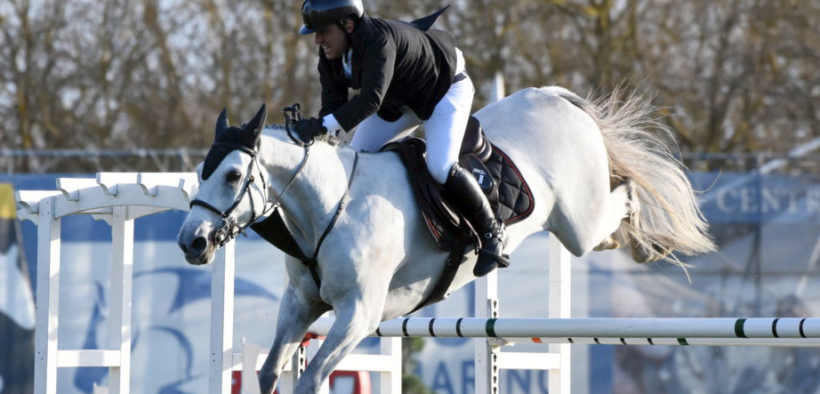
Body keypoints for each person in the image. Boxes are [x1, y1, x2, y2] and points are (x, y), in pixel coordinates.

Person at [294, 0, 509, 276]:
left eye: (323, 31)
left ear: (347, 25)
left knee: (440, 167)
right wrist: (317, 137)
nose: (317, 40)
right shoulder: (331, 55)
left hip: (443, 89)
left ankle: (493, 230)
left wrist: (322, 126)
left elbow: (369, 101)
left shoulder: (378, 41)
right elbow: (333, 108)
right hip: (399, 98)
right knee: (355, 163)